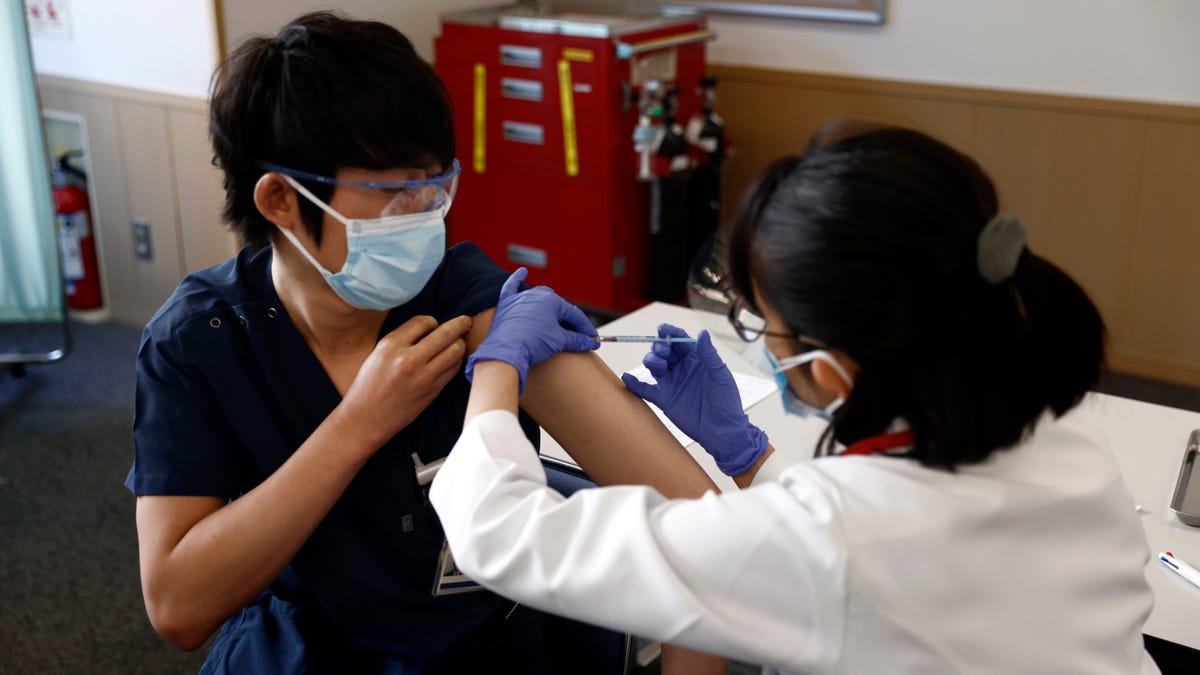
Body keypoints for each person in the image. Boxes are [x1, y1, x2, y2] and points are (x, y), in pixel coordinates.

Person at [431, 121, 1162, 673]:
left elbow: (502, 535)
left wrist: (498, 367)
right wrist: (747, 455)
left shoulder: (832, 540)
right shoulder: (1065, 439)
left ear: (837, 365)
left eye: (766, 324)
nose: (764, 343)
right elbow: (892, 539)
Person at [124, 11, 724, 674]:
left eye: (437, 183)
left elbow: (700, 527)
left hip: (478, 651)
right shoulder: (200, 340)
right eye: (394, 190)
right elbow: (178, 607)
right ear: (280, 200)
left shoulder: (473, 307)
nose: (426, 215)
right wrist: (359, 423)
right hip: (302, 649)